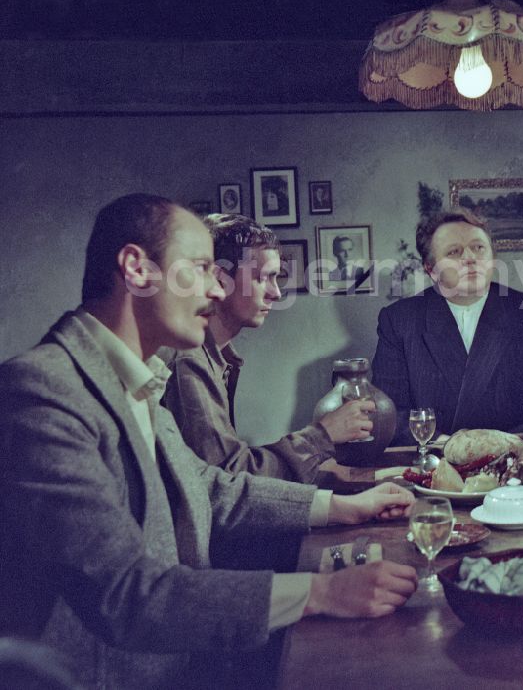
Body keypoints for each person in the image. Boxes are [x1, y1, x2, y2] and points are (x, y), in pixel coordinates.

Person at [0, 194, 418, 689]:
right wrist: (321, 593)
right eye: (199, 269)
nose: (215, 290)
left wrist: (343, 508)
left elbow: (214, 489)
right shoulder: (43, 389)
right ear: (137, 269)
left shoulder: (139, 379)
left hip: (180, 658)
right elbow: (126, 593)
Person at [161, 214, 373, 482]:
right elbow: (229, 477)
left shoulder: (217, 357)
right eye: (263, 278)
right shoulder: (189, 360)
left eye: (277, 278)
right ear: (220, 280)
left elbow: (231, 462)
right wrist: (322, 435)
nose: (276, 293)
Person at [372, 208, 523, 442]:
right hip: (435, 466)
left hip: (516, 464)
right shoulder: (399, 322)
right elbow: (389, 417)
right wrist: (448, 445)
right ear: (431, 269)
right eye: (454, 252)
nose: (470, 258)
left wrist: (499, 447)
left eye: (478, 247)